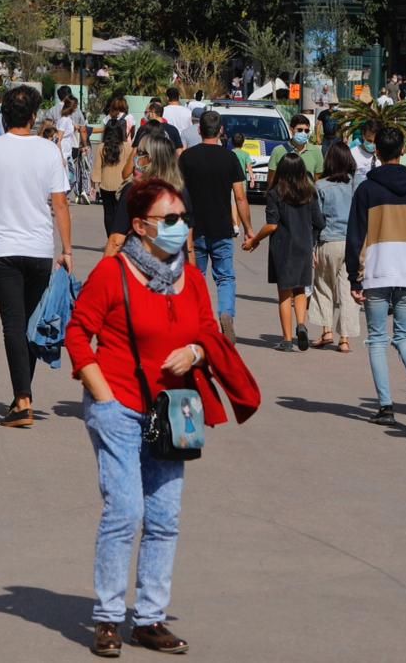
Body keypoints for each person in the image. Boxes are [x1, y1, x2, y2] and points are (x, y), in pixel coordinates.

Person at [65, 177, 259, 658]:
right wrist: (104, 399)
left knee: (165, 517)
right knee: (125, 511)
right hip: (119, 406)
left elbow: (209, 332)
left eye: (183, 219)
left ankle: (150, 617)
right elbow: (77, 335)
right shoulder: (113, 274)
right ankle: (109, 618)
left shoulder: (191, 278)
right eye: (169, 219)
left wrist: (194, 351)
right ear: (140, 225)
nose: (179, 227)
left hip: (175, 410)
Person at [0, 84, 73, 428]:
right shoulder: (48, 151)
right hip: (39, 248)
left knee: (13, 323)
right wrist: (67, 249)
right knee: (29, 324)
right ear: (33, 115)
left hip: (1, 249)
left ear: (4, 114)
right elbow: (60, 203)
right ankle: (22, 395)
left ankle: (22, 400)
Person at [345, 126, 406, 426]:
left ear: (378, 153)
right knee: (405, 336)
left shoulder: (367, 190)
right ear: (402, 152)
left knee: (377, 340)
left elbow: (356, 235)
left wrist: (353, 278)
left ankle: (386, 406)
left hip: (377, 270)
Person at [178, 111, 252, 340]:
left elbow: (178, 192)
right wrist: (248, 229)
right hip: (221, 227)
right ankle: (226, 313)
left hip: (193, 228)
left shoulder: (187, 158)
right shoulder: (229, 158)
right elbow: (240, 197)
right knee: (225, 277)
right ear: (220, 131)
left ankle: (197, 322)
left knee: (195, 276)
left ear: (199, 130)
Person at [243, 154, 324, 351]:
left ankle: (287, 340)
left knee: (284, 294)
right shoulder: (310, 193)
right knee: (300, 289)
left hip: (283, 247)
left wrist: (254, 240)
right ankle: (302, 325)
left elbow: (271, 225)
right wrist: (311, 242)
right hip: (304, 246)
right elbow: (319, 223)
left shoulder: (275, 193)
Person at [312, 142, 359, 352]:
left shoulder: (320, 186)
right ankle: (345, 338)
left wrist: (312, 247)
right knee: (348, 290)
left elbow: (317, 219)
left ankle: (327, 330)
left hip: (328, 241)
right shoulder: (355, 185)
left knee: (323, 286)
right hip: (351, 242)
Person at [105, 130, 181, 257]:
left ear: (152, 159)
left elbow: (116, 241)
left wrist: (103, 272)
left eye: (141, 153)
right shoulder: (179, 192)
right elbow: (188, 243)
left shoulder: (134, 191)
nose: (136, 158)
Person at [95, 117, 135, 249]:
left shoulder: (102, 147)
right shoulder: (127, 147)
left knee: (108, 213)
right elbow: (132, 166)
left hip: (106, 184)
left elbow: (97, 167)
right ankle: (120, 240)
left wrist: (95, 183)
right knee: (121, 214)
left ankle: (110, 240)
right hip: (122, 184)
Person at [268, 113, 324, 179]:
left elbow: (318, 179)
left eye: (306, 131)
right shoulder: (278, 151)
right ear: (291, 129)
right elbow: (271, 179)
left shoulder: (316, 151)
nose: (303, 133)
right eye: (300, 130)